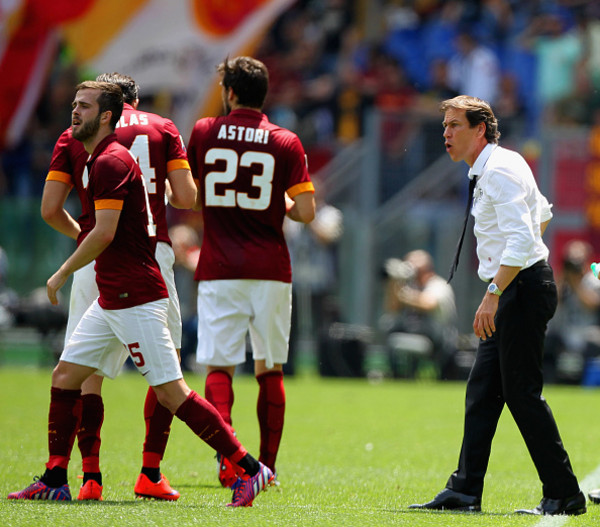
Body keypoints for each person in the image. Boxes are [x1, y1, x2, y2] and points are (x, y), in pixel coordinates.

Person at [8, 81, 273, 507]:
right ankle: (57, 476)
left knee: (173, 392)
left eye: (84, 107)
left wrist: (61, 273)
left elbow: (104, 233)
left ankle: (249, 468)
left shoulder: (111, 160)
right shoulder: (103, 153)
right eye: (73, 104)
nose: (74, 112)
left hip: (134, 293)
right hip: (113, 293)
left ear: (108, 116)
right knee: (65, 376)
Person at [409, 95, 585, 515]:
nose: (446, 134)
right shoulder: (500, 164)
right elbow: (540, 214)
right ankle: (465, 490)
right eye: (445, 126)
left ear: (479, 130)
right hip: (520, 285)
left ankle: (564, 494)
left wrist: (496, 292)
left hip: (518, 290)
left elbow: (526, 238)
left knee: (522, 394)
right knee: (485, 391)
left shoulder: (500, 169)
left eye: (454, 125)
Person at [40, 73, 196, 501]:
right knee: (166, 369)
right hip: (150, 257)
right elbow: (185, 197)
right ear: (135, 100)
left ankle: (89, 477)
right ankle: (150, 471)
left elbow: (51, 209)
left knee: (81, 370)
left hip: (95, 257)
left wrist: (84, 239)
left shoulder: (74, 134)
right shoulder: (162, 127)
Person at [187, 56, 316, 487]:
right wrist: (277, 201)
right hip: (270, 268)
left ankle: (230, 462)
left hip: (220, 265)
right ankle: (268, 467)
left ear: (230, 92)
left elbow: (184, 194)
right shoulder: (285, 141)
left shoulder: (205, 131)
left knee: (220, 367)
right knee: (270, 368)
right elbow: (307, 212)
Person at [381, 249, 458, 379]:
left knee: (417, 328)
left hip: (436, 337)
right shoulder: (409, 286)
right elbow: (391, 309)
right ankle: (395, 375)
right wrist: (393, 284)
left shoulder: (439, 284)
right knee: (387, 324)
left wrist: (404, 296)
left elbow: (428, 304)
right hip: (412, 331)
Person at [545, 239, 600, 383]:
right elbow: (551, 303)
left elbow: (592, 304)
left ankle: (586, 382)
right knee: (547, 339)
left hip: (587, 332)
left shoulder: (593, 280)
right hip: (565, 332)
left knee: (594, 340)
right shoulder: (562, 283)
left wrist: (576, 283)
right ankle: (549, 381)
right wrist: (564, 277)